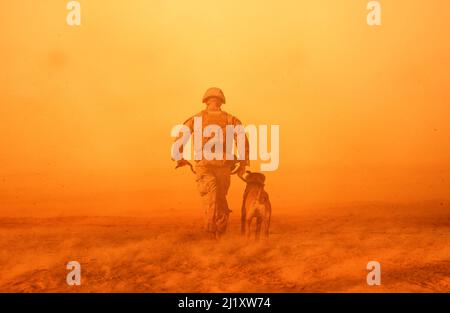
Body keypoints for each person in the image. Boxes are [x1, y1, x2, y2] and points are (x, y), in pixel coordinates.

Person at [174, 87, 249, 239]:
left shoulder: (195, 119)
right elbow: (243, 141)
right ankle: (219, 234)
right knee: (220, 198)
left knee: (211, 197)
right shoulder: (231, 119)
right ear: (221, 102)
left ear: (206, 101)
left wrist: (179, 157)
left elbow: (180, 139)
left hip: (205, 166)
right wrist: (242, 164)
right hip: (223, 166)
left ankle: (211, 232)